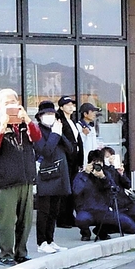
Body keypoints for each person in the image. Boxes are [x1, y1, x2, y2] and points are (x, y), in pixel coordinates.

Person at [0, 89, 40, 266]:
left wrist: (27, 119)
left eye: (13, 102)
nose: (11, 106)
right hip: (6, 181)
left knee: (26, 220)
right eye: (6, 103)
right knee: (7, 222)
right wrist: (3, 126)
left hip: (26, 180)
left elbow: (37, 137)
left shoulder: (25, 125)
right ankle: (6, 254)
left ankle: (21, 252)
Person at [73, 150, 135, 241]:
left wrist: (103, 178)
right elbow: (76, 190)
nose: (97, 166)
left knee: (132, 228)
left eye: (99, 162)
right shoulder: (81, 175)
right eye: (94, 163)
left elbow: (115, 189)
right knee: (81, 219)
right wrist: (85, 174)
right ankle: (85, 233)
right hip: (87, 211)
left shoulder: (106, 174)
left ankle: (102, 230)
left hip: (104, 211)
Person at [33, 101, 72, 254]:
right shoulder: (37, 131)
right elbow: (45, 151)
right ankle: (41, 242)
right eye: (46, 114)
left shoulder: (57, 129)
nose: (49, 117)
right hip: (46, 175)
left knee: (54, 210)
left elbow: (70, 149)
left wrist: (60, 133)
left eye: (52, 114)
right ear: (40, 116)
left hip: (59, 175)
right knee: (44, 210)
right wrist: (55, 134)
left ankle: (50, 239)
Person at [101, 146, 135, 227]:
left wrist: (122, 173)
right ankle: (119, 226)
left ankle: (125, 224)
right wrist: (110, 168)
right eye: (107, 157)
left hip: (125, 203)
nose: (110, 159)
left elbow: (127, 185)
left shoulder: (117, 170)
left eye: (112, 157)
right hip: (112, 206)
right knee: (133, 228)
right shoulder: (101, 172)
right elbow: (107, 184)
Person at [55, 96, 83, 228]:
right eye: (67, 104)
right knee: (64, 189)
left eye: (72, 104)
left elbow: (78, 140)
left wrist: (81, 159)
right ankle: (62, 218)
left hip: (74, 160)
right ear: (61, 107)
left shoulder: (72, 121)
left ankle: (70, 216)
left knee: (72, 188)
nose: (71, 106)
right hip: (66, 159)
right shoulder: (59, 121)